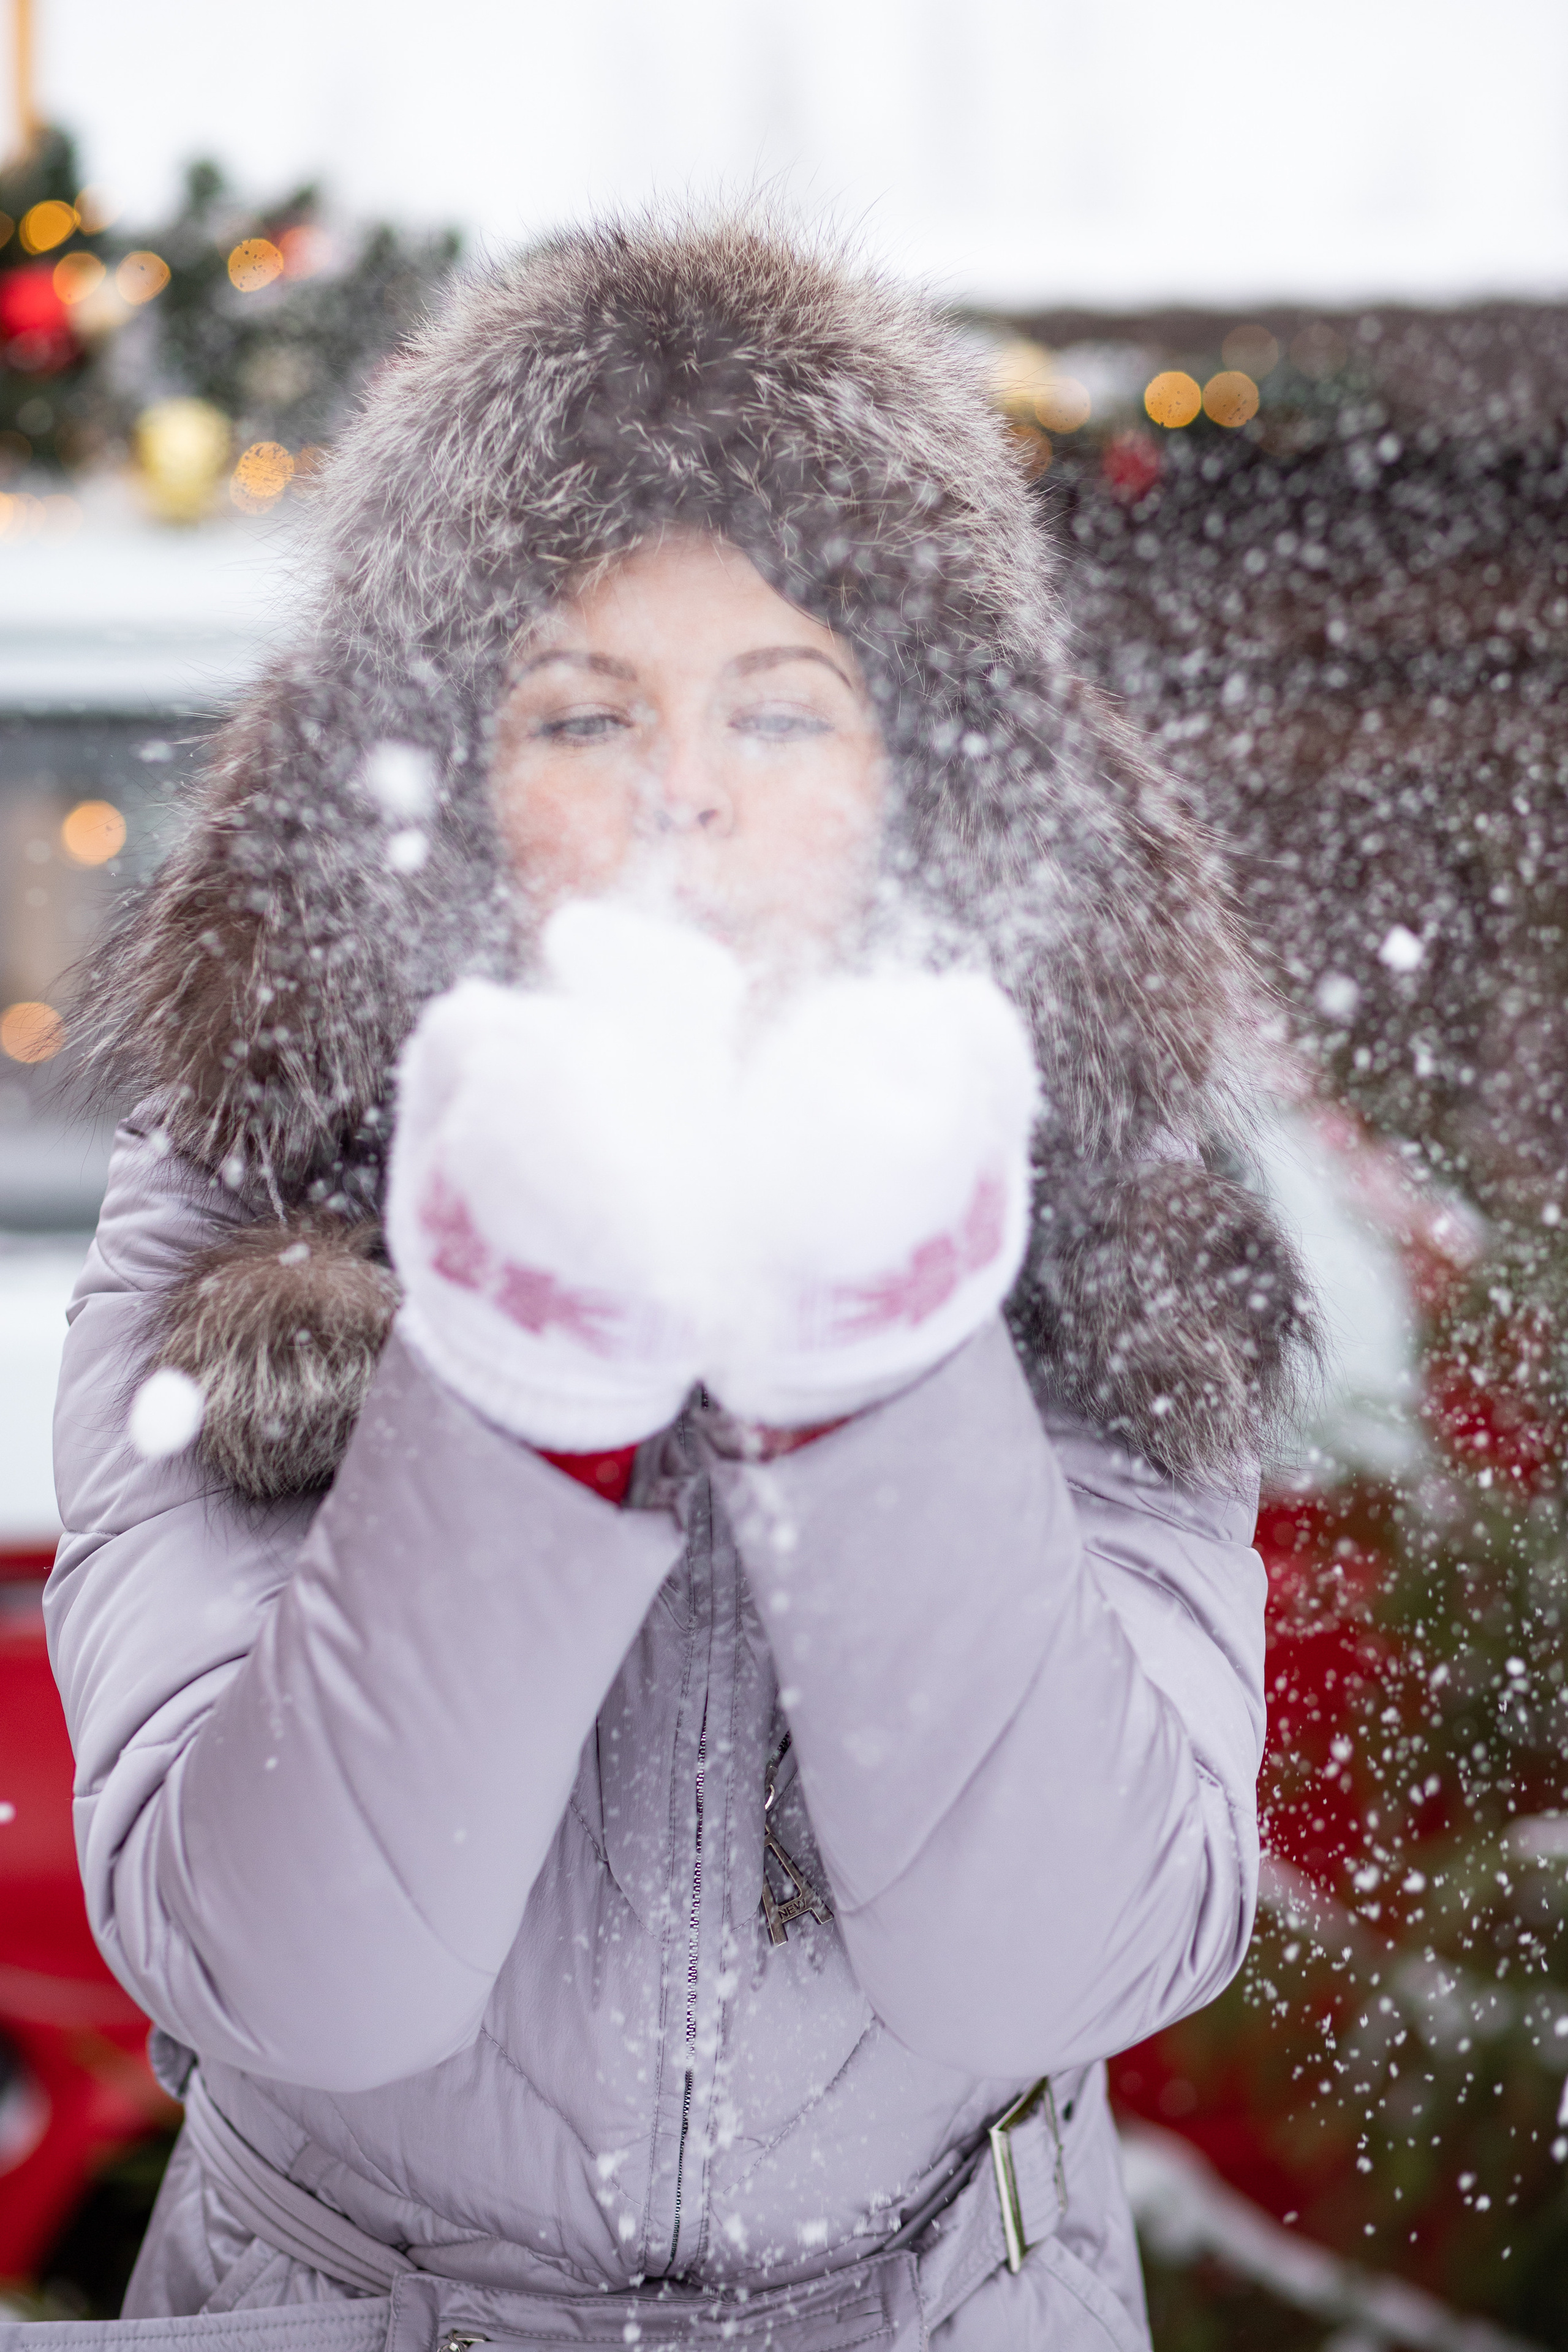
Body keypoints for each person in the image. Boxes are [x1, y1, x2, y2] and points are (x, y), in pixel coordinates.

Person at [41, 216, 1314, 2352]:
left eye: (783, 711)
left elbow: (1077, 1956)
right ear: (446, 786)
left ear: (924, 775)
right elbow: (286, 1967)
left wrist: (878, 1344)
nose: (687, 796)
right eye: (584, 715)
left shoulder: (1100, 1218)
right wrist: (529, 1356)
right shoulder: (236, 1200)